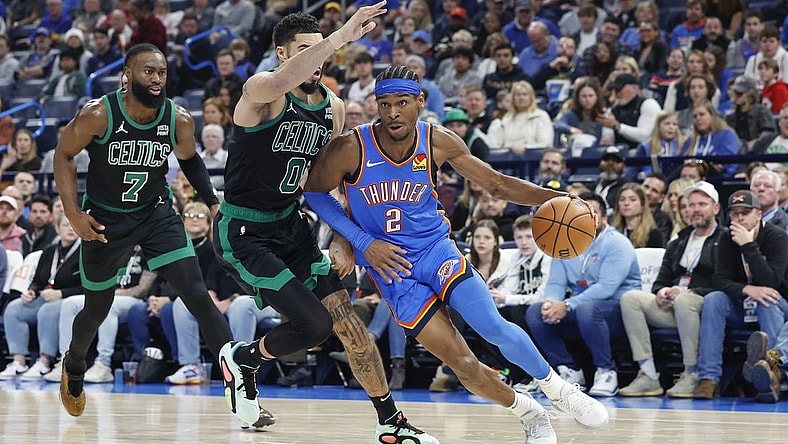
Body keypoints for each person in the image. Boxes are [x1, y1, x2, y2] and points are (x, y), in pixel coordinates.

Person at [303, 64, 610, 443]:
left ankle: (559, 390)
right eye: (384, 104)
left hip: (436, 251)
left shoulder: (439, 141)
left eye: (402, 103)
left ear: (420, 102)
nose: (393, 112)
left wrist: (554, 197)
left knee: (491, 324)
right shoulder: (351, 147)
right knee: (463, 365)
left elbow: (496, 184)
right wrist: (358, 240)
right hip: (393, 271)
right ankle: (529, 413)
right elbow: (316, 193)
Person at [210, 8, 438, 442]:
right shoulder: (262, 90)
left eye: (320, 51)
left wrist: (342, 236)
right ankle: (244, 359)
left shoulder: (332, 108)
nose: (317, 59)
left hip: (291, 226)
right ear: (282, 53)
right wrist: (338, 37)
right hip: (244, 232)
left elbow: (329, 185)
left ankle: (390, 422)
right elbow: (280, 82)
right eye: (305, 50)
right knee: (313, 326)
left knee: (347, 323)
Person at [51, 44, 274, 429]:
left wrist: (212, 201)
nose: (157, 79)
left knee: (197, 296)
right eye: (148, 72)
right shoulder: (98, 114)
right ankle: (74, 364)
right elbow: (63, 154)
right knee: (96, 310)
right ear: (127, 75)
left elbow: (189, 158)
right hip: (106, 221)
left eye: (162, 72)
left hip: (156, 213)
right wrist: (73, 213)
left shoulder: (179, 119)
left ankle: (243, 390)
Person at [525, 193, 640, 397]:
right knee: (535, 312)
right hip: (581, 309)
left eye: (592, 213)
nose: (584, 217)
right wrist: (551, 303)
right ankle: (568, 370)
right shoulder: (564, 242)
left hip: (619, 309)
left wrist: (567, 305)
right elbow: (556, 283)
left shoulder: (617, 243)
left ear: (604, 218)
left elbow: (607, 287)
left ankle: (606, 371)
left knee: (588, 309)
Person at [619, 181, 726, 398]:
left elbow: (725, 282)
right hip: (675, 307)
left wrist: (691, 292)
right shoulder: (679, 241)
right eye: (691, 205)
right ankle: (648, 374)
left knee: (684, 300)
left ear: (715, 208)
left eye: (702, 204)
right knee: (631, 298)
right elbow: (661, 279)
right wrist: (661, 291)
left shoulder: (725, 239)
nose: (695, 210)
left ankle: (692, 373)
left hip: (706, 306)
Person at [694, 190, 788, 399]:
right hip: (741, 304)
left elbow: (772, 281)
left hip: (777, 305)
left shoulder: (777, 237)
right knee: (713, 299)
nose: (739, 218)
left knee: (767, 298)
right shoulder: (725, 238)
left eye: (745, 212)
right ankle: (709, 378)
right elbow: (719, 280)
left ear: (759, 214)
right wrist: (746, 289)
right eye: (734, 213)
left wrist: (748, 245)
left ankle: (772, 374)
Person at [0, 213, 79, 380]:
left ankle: (44, 361)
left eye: (74, 225)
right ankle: (19, 362)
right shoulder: (50, 251)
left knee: (47, 310)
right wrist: (31, 292)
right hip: (47, 296)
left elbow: (88, 287)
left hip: (71, 299)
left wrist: (61, 293)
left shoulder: (86, 252)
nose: (71, 229)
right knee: (14, 309)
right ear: (57, 228)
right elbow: (38, 279)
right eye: (66, 225)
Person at [611, 183, 665, 248]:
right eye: (622, 200)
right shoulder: (612, 233)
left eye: (632, 200)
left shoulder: (653, 235)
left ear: (642, 205)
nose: (626, 203)